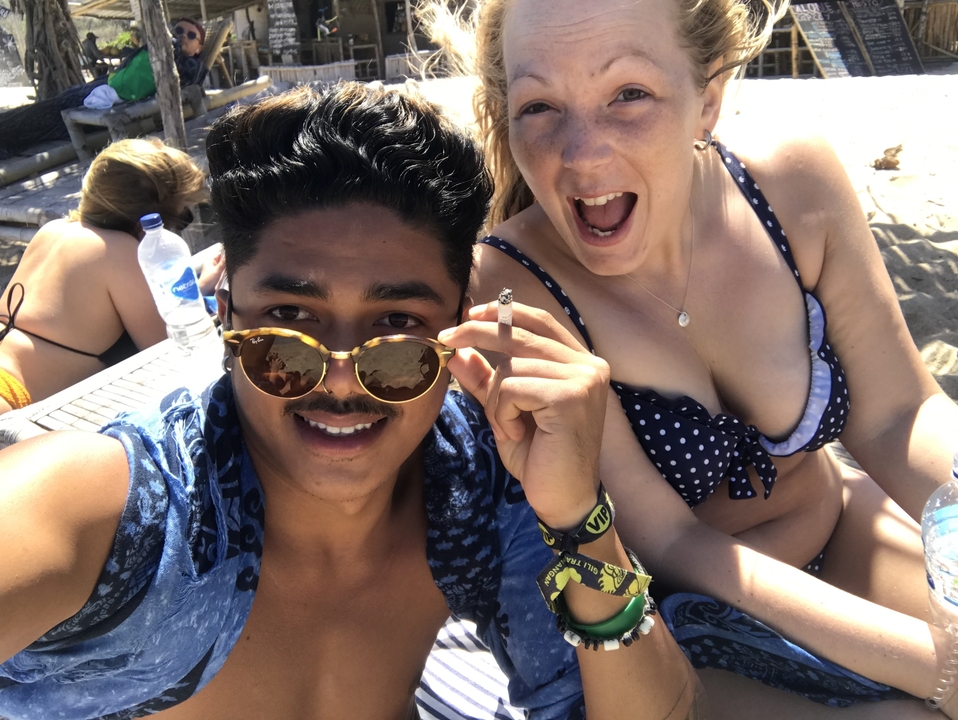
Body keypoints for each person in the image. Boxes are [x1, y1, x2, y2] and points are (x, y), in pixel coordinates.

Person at [0, 83, 701, 719]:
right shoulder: (124, 510)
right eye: (289, 323)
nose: (339, 382)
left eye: (397, 329)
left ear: (462, 324)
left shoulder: (470, 477)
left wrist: (581, 519)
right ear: (226, 317)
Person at [420, 0, 958, 716]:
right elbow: (672, 541)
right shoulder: (514, 286)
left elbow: (900, 416)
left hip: (840, 527)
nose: (581, 154)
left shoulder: (793, 187)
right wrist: (936, 666)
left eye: (629, 94)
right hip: (689, 620)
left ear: (709, 97)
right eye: (541, 107)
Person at [0, 138, 206, 414]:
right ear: (149, 222)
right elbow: (170, 345)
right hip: (12, 404)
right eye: (181, 218)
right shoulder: (120, 251)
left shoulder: (53, 230)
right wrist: (204, 285)